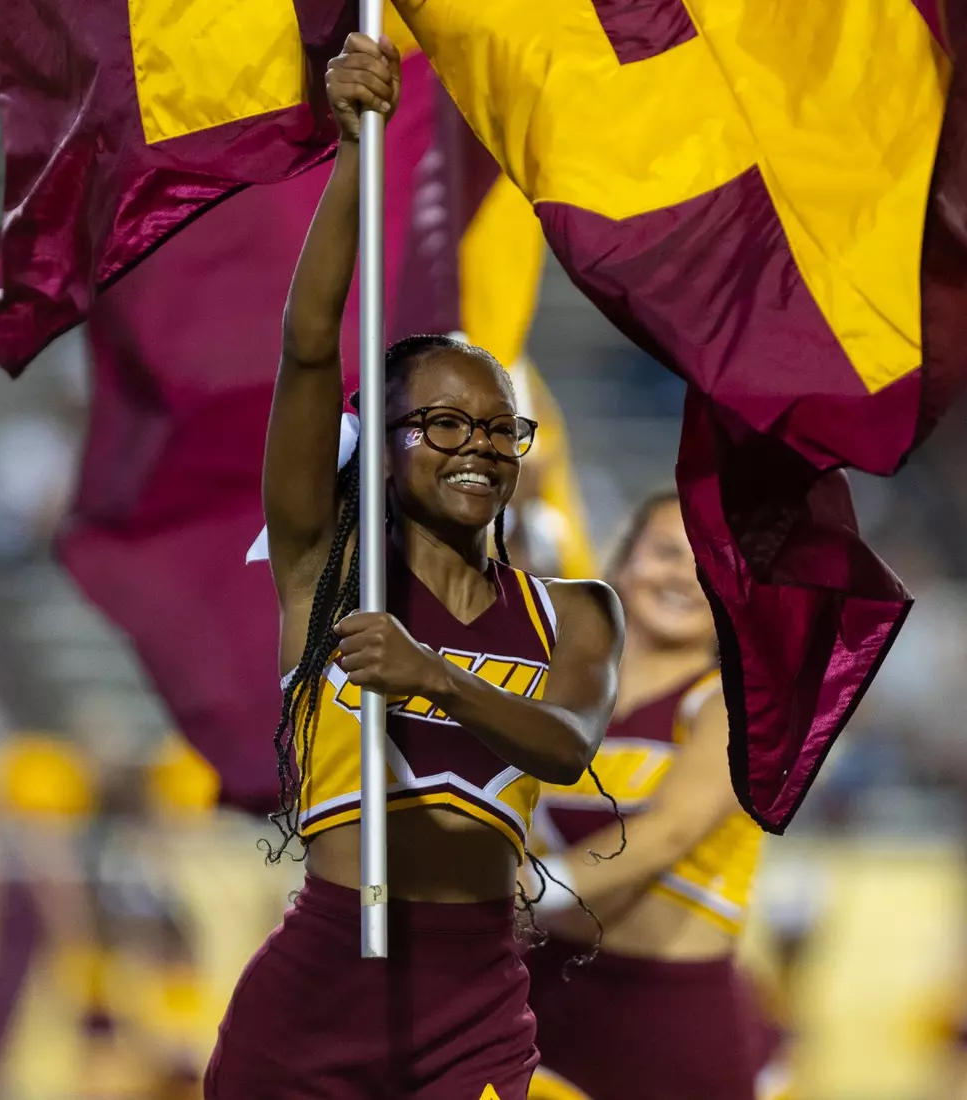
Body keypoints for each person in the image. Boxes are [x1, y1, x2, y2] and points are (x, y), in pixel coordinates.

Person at [203, 33, 624, 1100]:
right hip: (314, 994)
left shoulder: (576, 612)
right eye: (440, 422)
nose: (478, 445)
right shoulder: (323, 570)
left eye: (498, 430)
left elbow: (569, 745)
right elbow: (307, 345)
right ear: (382, 446)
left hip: (471, 1004)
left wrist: (433, 674)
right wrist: (353, 157)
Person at [523, 491, 765, 1100]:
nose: (684, 575)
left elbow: (673, 830)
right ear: (622, 564)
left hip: (673, 1021)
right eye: (664, 552)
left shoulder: (732, 707)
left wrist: (536, 888)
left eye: (710, 564)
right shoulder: (555, 693)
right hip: (538, 998)